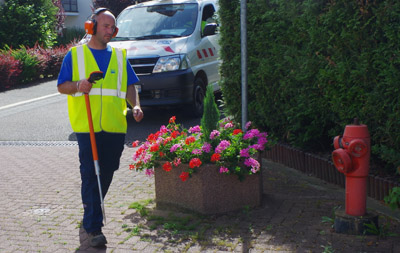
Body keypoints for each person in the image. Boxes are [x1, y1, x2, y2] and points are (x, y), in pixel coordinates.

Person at [57, 8, 143, 247]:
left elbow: (129, 86)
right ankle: (94, 227)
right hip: (87, 126)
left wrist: (135, 106)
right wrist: (78, 85)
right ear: (91, 26)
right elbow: (62, 86)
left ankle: (90, 212)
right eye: (105, 26)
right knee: (90, 174)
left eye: (113, 27)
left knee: (106, 172)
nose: (110, 31)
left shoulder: (118, 56)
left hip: (115, 127)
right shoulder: (75, 55)